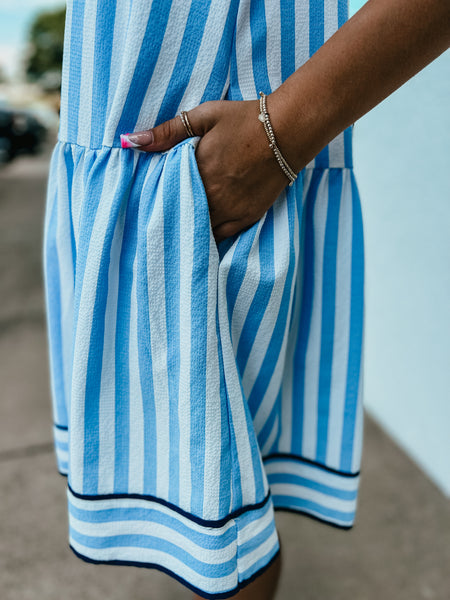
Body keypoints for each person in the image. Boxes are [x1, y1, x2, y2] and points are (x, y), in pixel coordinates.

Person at [42, 0, 449, 599]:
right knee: (216, 514)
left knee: (226, 537)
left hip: (212, 179)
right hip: (125, 167)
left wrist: (275, 136)